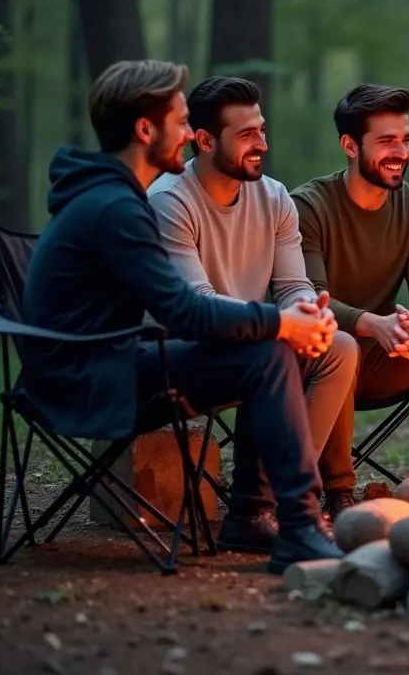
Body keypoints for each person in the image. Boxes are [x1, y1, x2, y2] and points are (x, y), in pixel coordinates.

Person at [20, 59, 343, 573]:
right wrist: (282, 323)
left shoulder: (111, 197)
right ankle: (296, 525)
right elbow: (185, 312)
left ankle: (266, 516)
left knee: (270, 350)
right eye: (179, 122)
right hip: (86, 382)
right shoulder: (118, 208)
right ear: (145, 130)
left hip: (97, 363)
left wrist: (285, 320)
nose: (189, 134)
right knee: (268, 354)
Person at [147, 76, 360, 551]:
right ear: (205, 141)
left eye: (261, 130)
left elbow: (292, 285)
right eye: (246, 134)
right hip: (180, 351)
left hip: (257, 337)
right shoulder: (170, 201)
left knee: (339, 347)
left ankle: (283, 506)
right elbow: (196, 305)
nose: (262, 143)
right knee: (272, 352)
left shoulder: (275, 197)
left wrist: (308, 313)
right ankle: (259, 510)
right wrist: (282, 325)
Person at [291, 84, 409, 479]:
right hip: (318, 363)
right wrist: (372, 324)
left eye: (406, 140)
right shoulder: (308, 206)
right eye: (386, 141)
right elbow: (309, 299)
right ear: (350, 145)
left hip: (383, 357)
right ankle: (338, 488)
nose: (401, 152)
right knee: (339, 344)